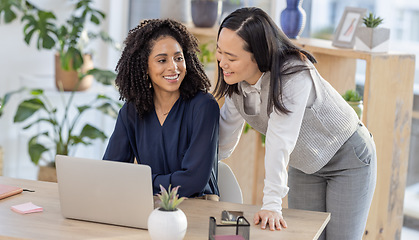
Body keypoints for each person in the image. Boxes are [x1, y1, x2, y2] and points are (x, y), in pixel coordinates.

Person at [215, 7, 377, 240]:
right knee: (305, 236)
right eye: (220, 52)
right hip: (306, 164)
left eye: (231, 57)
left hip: (348, 158)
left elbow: (279, 140)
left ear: (259, 54)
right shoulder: (237, 87)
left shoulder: (294, 75)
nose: (222, 63)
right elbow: (223, 141)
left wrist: (271, 203)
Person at [103, 19, 220, 199]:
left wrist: (141, 182)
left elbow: (193, 182)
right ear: (145, 67)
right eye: (162, 60)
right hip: (150, 207)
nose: (173, 67)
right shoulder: (132, 112)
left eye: (178, 58)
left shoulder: (204, 107)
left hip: (198, 209)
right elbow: (111, 172)